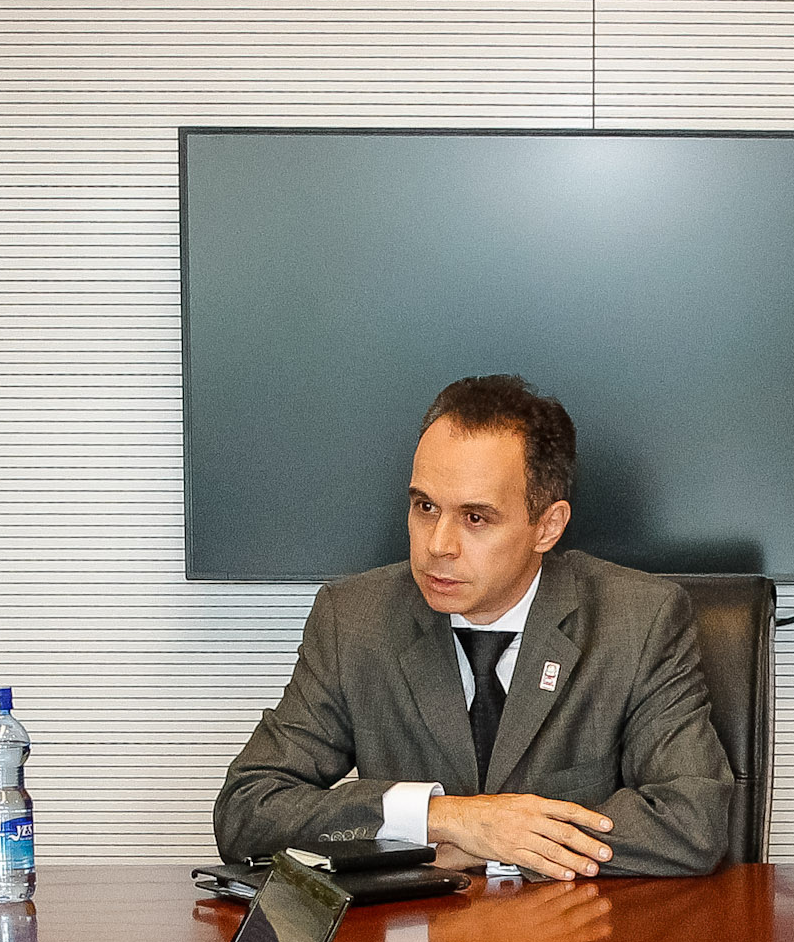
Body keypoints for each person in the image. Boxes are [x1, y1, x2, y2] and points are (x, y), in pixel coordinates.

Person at [215, 373, 736, 879]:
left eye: (476, 518)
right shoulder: (352, 620)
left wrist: (501, 849)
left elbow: (692, 818)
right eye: (425, 507)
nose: (438, 544)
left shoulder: (638, 621)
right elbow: (247, 808)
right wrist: (446, 820)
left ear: (547, 526)